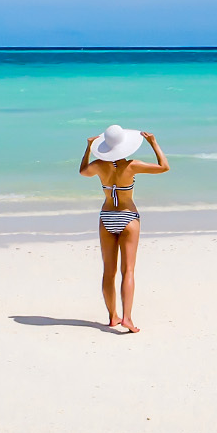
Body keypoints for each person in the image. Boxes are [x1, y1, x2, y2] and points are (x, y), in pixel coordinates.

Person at [78, 125, 170, 333]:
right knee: (127, 270)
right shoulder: (132, 165)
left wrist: (88, 148)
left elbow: (83, 172)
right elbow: (164, 167)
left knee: (108, 272)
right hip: (128, 217)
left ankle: (113, 317)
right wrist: (153, 143)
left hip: (107, 217)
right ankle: (127, 318)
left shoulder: (99, 166)